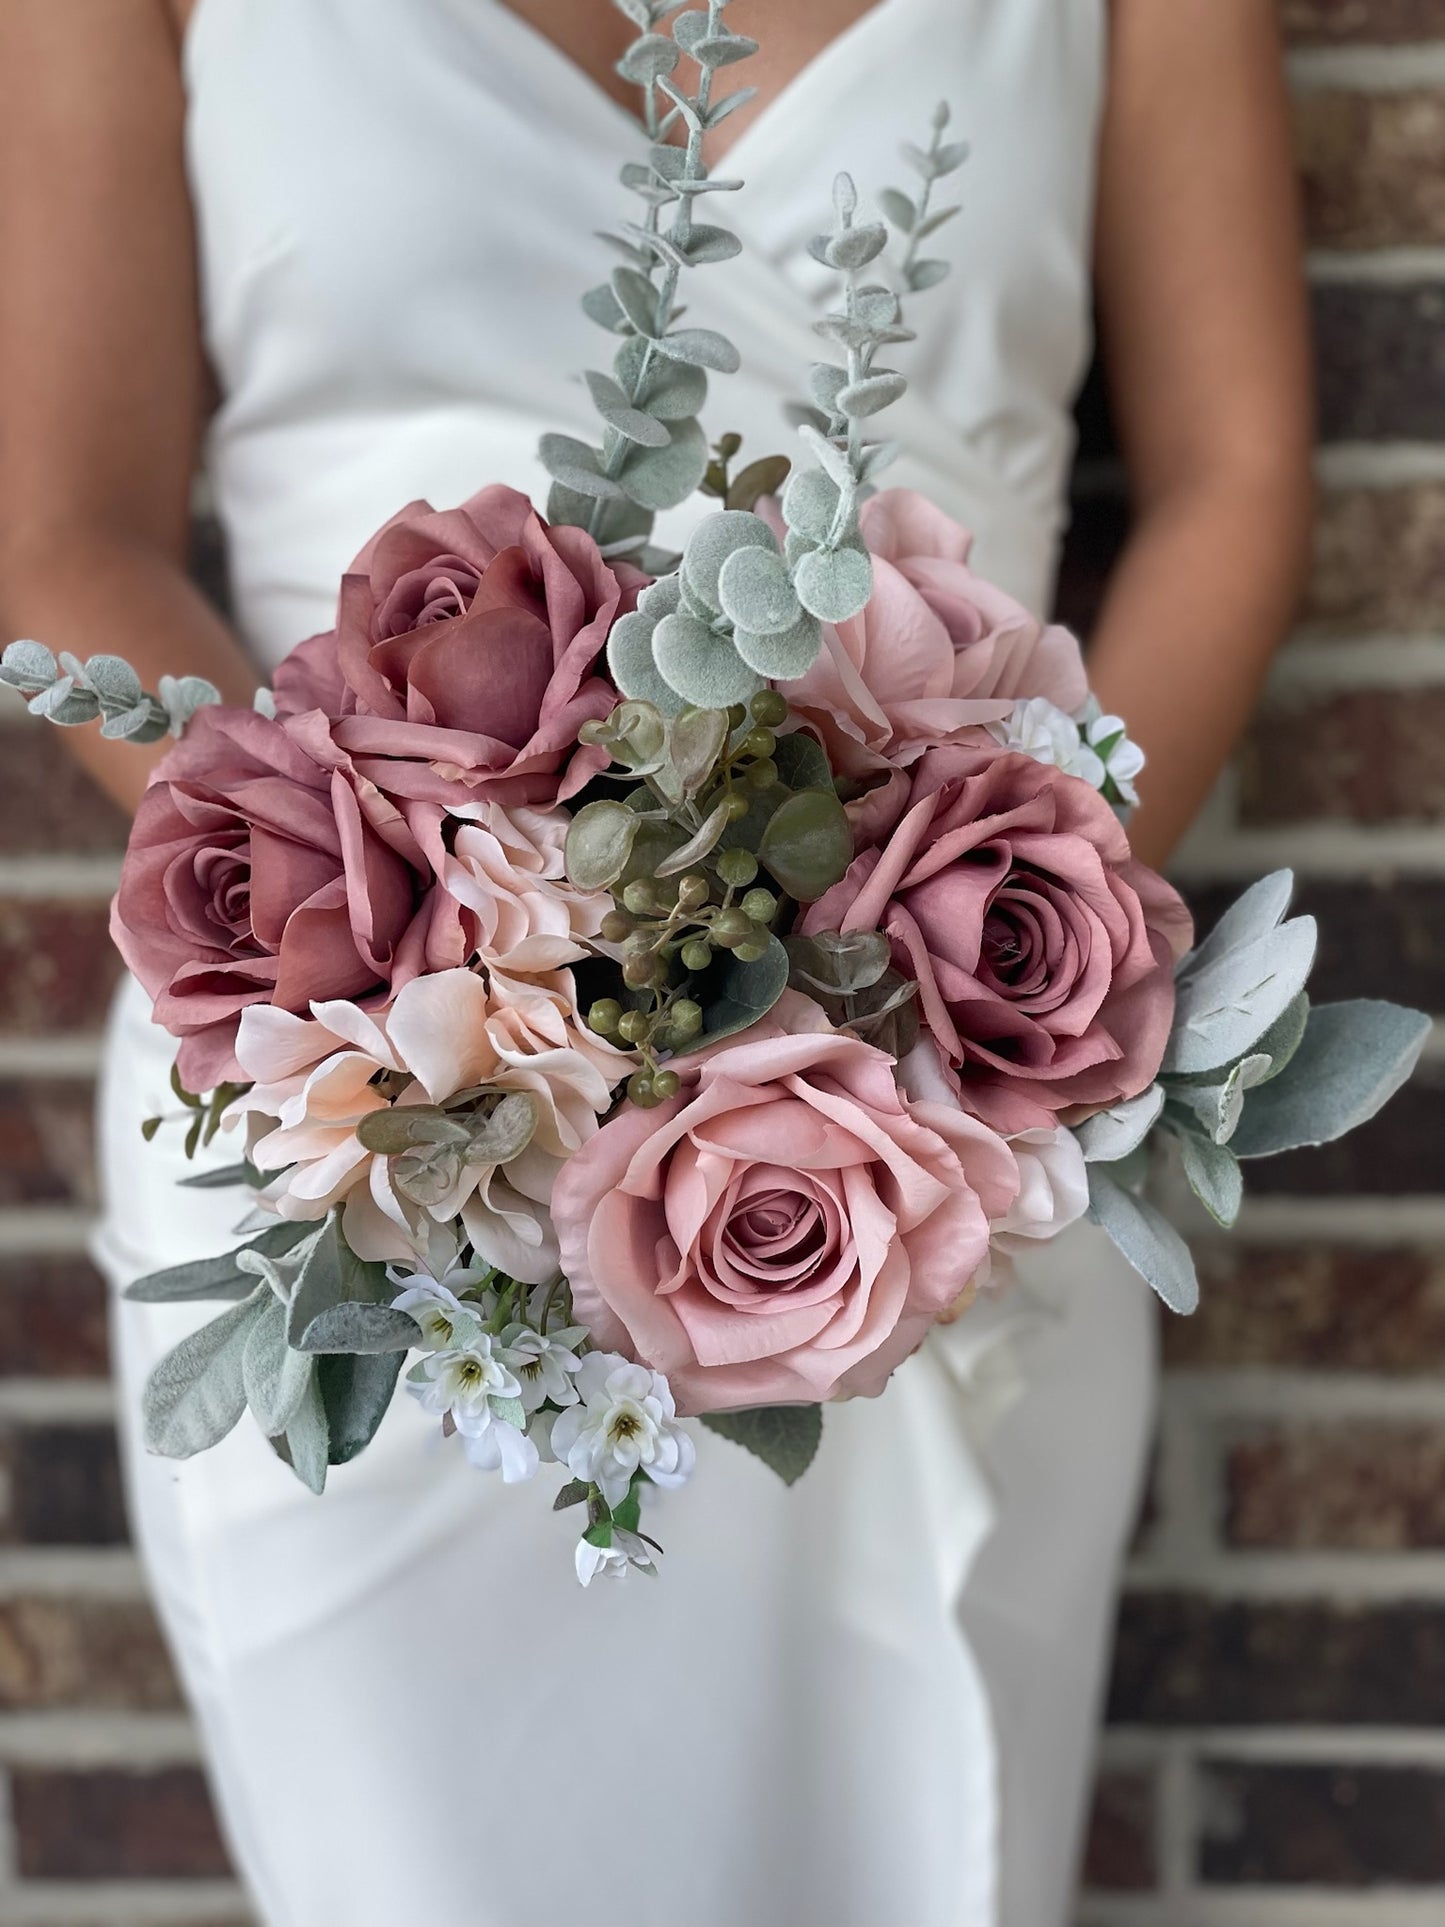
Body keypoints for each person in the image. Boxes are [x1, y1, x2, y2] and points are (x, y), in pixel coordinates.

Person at [0, 3, 1313, 1923]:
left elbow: (1236, 480)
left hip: (942, 1136)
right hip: (367, 1141)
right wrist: (400, 930)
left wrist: (995, 949)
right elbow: (66, 533)